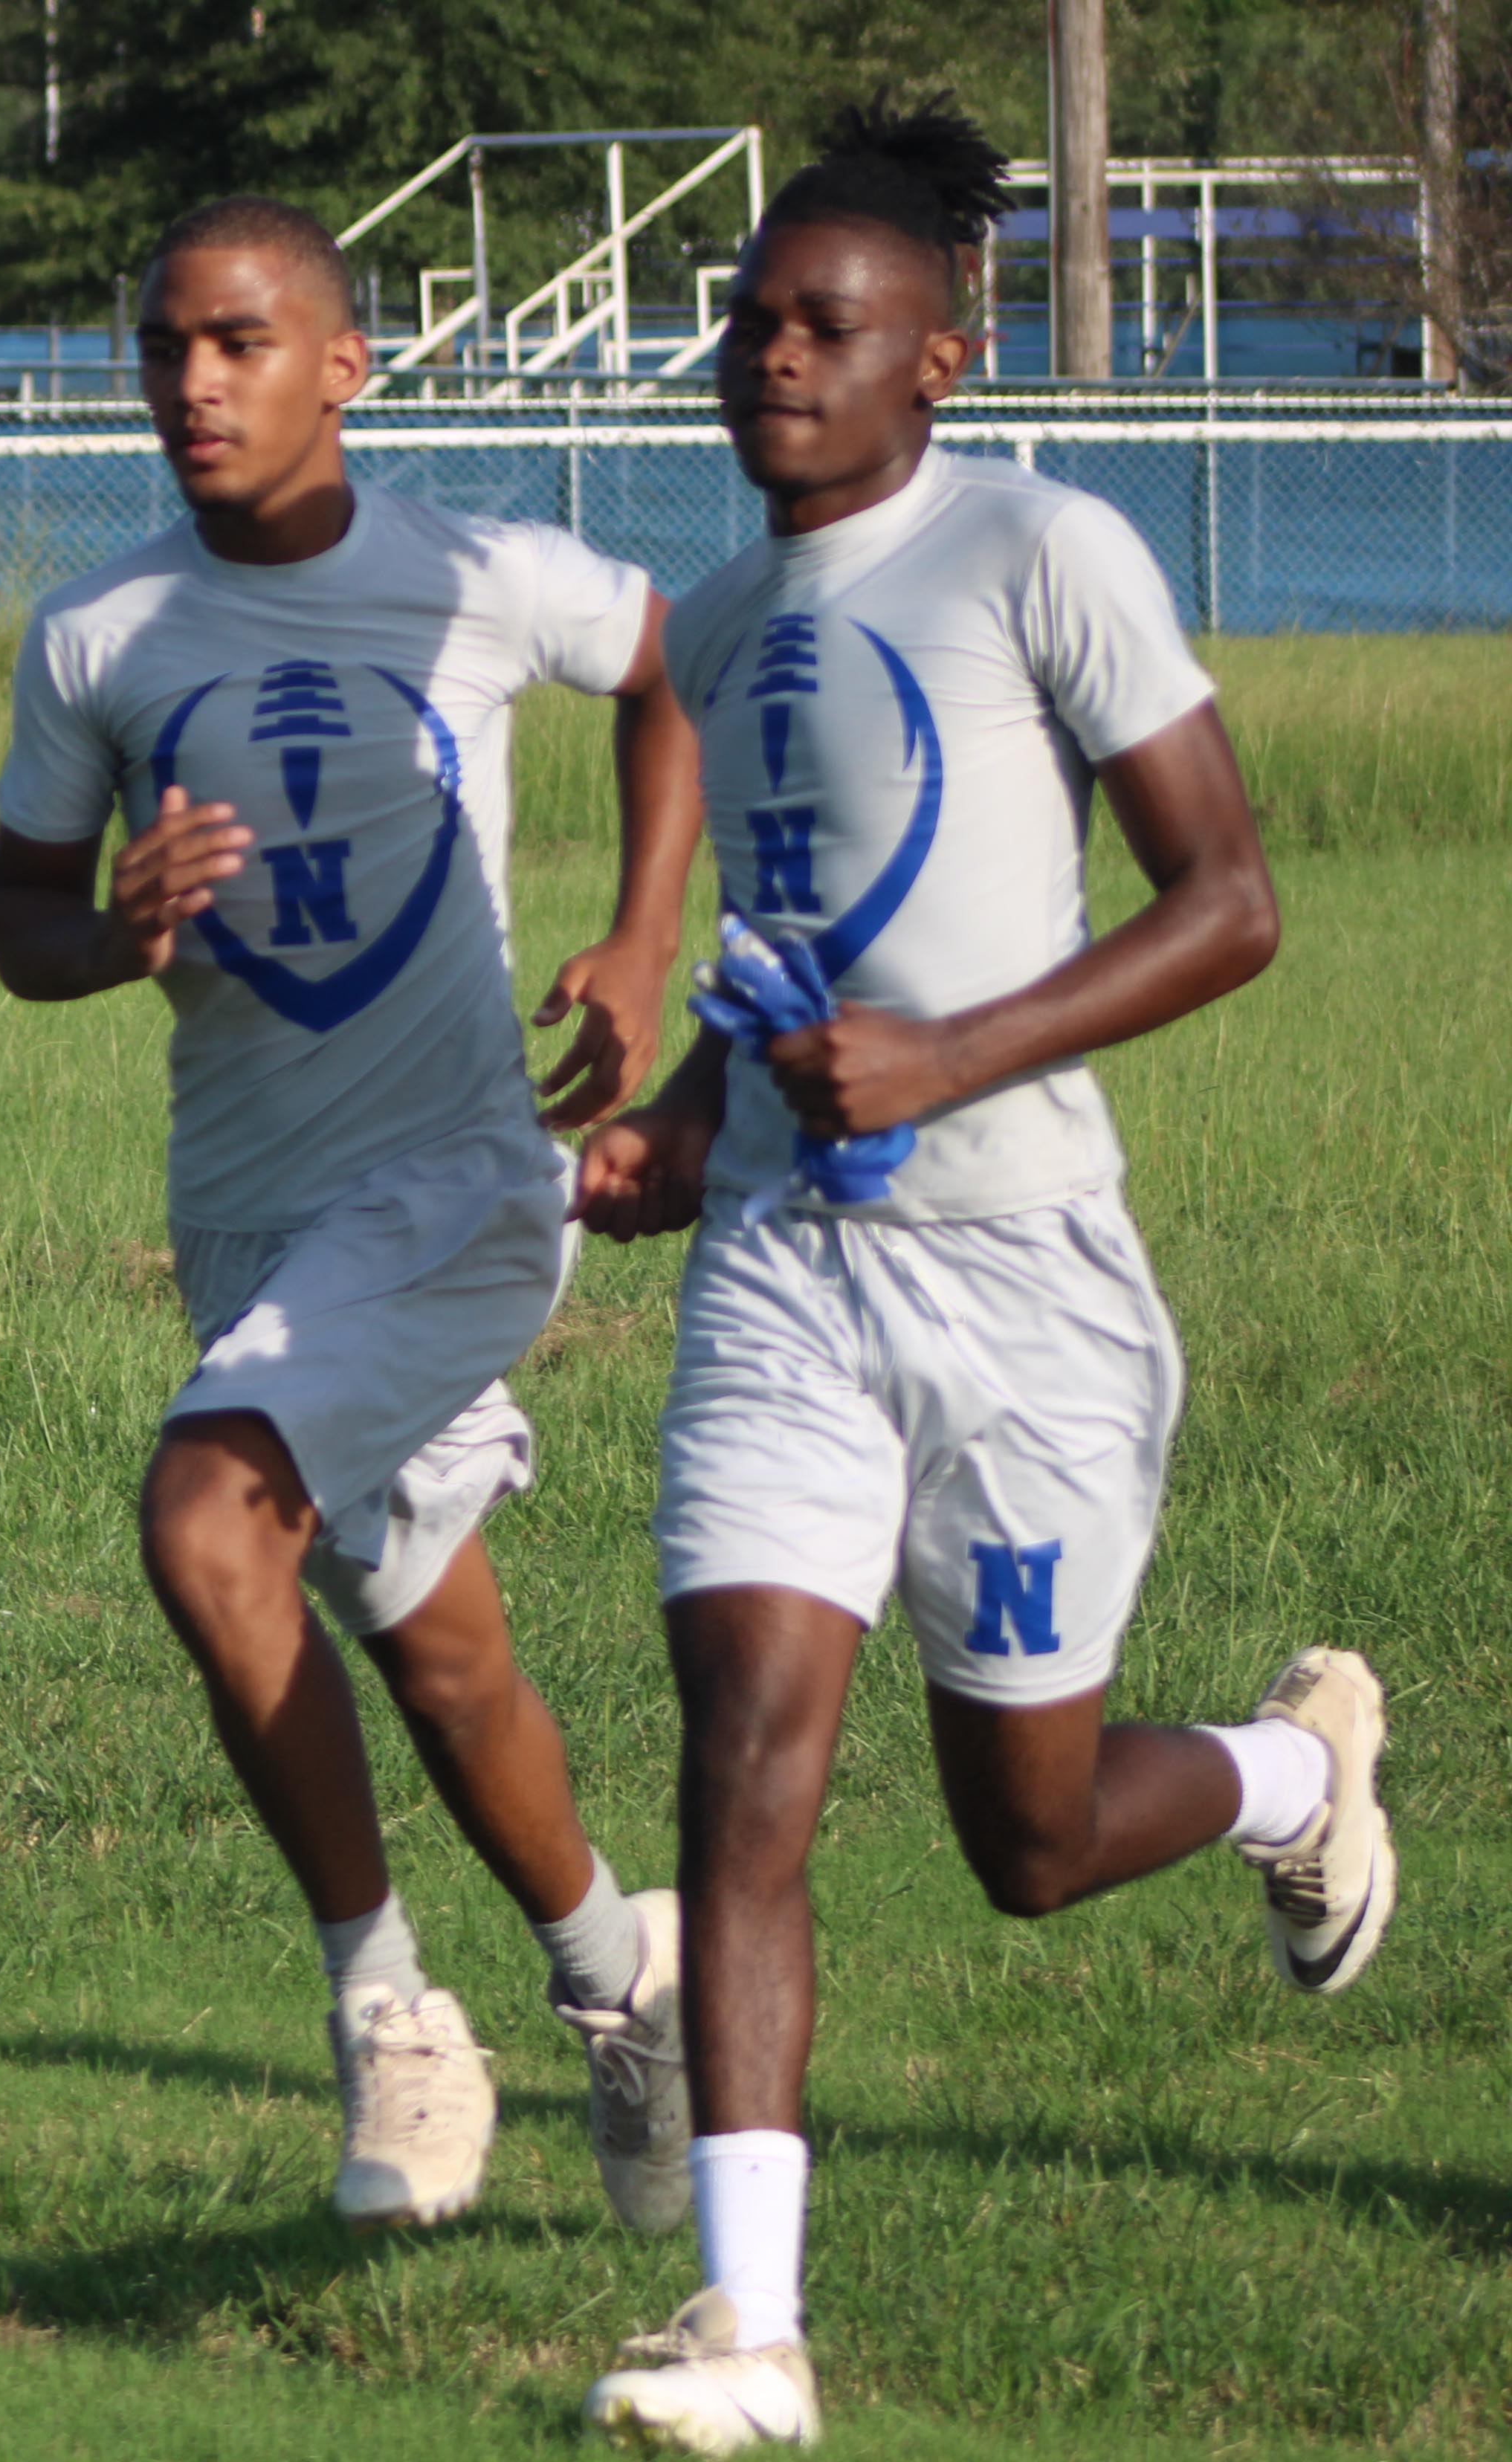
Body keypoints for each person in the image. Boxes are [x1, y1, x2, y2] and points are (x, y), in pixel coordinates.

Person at [572, 103, 1390, 2452]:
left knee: (1026, 1844)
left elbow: (1228, 900)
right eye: (743, 325)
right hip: (785, 1287)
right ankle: (747, 2333)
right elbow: (783, 985)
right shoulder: (713, 635)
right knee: (742, 1763)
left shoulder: (1046, 548)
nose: (768, 362)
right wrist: (684, 1137)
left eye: (823, 328)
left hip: (1022, 1277)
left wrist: (960, 1044)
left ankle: (1281, 1773)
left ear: (942, 354)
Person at [0, 198, 709, 2232]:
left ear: (340, 365)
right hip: (247, 1215)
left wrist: (643, 942)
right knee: (438, 1653)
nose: (187, 386)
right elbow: (10, 918)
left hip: (466, 1187)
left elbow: (676, 669)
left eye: (230, 343)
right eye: (157, 350)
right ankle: (622, 1977)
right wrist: (109, 933)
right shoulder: (97, 637)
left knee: (203, 1524)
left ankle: (388, 2019)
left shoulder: (468, 575)